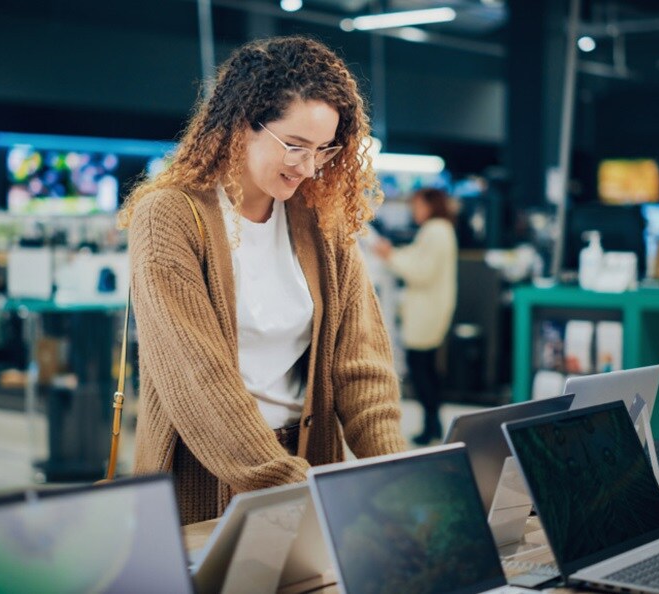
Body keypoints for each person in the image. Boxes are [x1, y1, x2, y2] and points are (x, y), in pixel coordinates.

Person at [118, 36, 407, 525]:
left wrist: (400, 479)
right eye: (294, 146)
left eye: (324, 149)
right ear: (239, 124)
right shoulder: (169, 216)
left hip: (306, 468)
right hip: (206, 478)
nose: (310, 167)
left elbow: (361, 368)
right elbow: (199, 382)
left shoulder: (322, 221)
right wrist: (297, 490)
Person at [373, 188, 458, 445]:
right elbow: (418, 259)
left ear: (431, 205)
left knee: (422, 370)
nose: (414, 210)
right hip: (430, 309)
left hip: (425, 312)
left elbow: (421, 272)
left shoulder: (436, 231)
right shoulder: (439, 230)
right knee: (428, 368)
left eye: (418, 205)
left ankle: (431, 424)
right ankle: (432, 424)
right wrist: (396, 254)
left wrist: (390, 257)